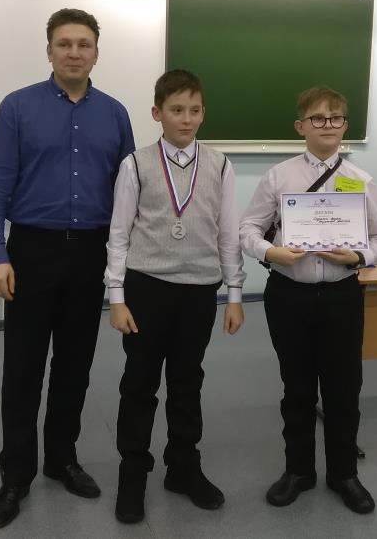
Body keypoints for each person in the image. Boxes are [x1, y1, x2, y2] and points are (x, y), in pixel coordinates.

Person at [0, 8, 135, 529]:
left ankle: (62, 459)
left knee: (74, 365)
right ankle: (16, 474)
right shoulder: (17, 107)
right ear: (49, 51)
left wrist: (125, 264)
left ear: (96, 52)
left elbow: (129, 196)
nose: (74, 52)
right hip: (31, 253)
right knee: (22, 369)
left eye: (83, 44)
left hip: (91, 253)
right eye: (64, 43)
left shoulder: (115, 114)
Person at [239, 86, 377, 514]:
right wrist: (272, 252)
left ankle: (344, 474)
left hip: (342, 295)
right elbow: (248, 229)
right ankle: (298, 471)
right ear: (300, 126)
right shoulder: (278, 177)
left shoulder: (361, 180)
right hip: (289, 295)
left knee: (344, 389)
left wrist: (358, 257)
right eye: (318, 118)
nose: (328, 125)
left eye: (336, 118)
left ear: (345, 126)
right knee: (297, 387)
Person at [105, 69, 246, 524]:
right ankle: (133, 474)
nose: (186, 119)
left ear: (204, 113)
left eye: (194, 110)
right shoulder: (136, 164)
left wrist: (235, 293)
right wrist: (116, 296)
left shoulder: (220, 165)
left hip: (199, 291)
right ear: (157, 113)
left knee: (187, 382)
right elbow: (119, 234)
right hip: (146, 288)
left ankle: (183, 467)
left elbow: (228, 234)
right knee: (140, 383)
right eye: (176, 110)